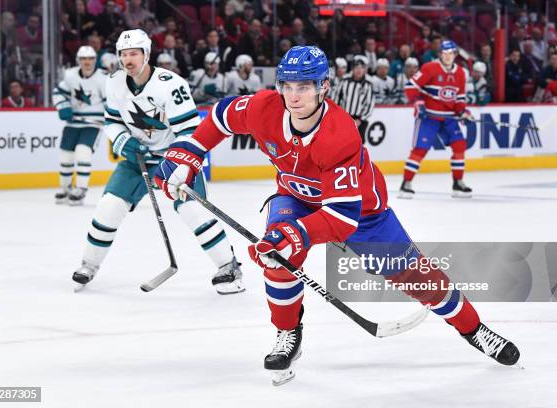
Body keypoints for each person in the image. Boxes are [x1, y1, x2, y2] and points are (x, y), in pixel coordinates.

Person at [153, 45, 521, 385]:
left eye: (305, 86)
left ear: (323, 86)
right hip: (296, 197)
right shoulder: (264, 108)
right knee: (278, 259)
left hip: (363, 214)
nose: (294, 95)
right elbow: (220, 117)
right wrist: (190, 151)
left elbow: (341, 221)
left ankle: (474, 329)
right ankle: (287, 333)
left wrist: (293, 234)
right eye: (287, 85)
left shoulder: (339, 135)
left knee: (419, 278)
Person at [72, 29, 244, 295]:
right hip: (137, 159)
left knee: (191, 211)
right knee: (108, 206)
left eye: (134, 54)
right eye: (123, 54)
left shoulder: (170, 83)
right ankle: (89, 265)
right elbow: (112, 121)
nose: (128, 60)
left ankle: (228, 266)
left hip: (175, 157)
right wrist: (123, 142)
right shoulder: (114, 81)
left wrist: (180, 164)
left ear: (147, 54)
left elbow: (190, 132)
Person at [400, 40, 474, 199]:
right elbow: (410, 87)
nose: (447, 57)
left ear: (455, 55)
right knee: (420, 149)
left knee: (459, 145)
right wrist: (419, 103)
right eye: (444, 54)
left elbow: (459, 98)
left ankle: (458, 183)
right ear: (440, 54)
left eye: (450, 54)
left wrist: (463, 111)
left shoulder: (461, 72)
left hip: (449, 118)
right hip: (429, 117)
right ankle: (406, 183)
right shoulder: (430, 68)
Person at [52, 46, 107, 206]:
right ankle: (65, 188)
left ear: (95, 60)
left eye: (90, 59)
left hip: (94, 124)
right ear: (78, 60)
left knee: (83, 152)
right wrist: (63, 106)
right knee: (66, 155)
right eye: (83, 59)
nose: (87, 62)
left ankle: (81, 189)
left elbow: (110, 102)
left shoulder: (103, 78)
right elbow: (58, 93)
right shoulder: (70, 76)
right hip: (73, 122)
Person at [332, 55, 375, 144]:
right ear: (352, 69)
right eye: (356, 67)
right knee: (341, 144)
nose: (359, 70)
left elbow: (370, 105)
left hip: (360, 121)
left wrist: (360, 119)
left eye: (361, 68)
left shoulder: (368, 85)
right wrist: (339, 116)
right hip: (345, 119)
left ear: (364, 70)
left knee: (358, 146)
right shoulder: (344, 81)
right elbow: (336, 99)